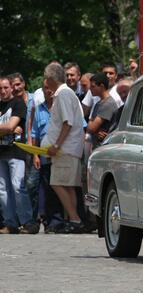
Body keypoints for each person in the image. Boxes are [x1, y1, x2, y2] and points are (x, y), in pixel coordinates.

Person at [43, 62, 86, 233]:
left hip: (65, 149)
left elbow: (67, 123)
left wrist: (56, 145)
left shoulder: (63, 95)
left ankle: (75, 219)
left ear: (51, 78)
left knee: (57, 183)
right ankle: (73, 220)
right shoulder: (64, 94)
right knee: (67, 185)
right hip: (67, 149)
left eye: (46, 78)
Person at [0, 76, 38, 234]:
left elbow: (11, 126)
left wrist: (9, 128)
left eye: (6, 87)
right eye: (0, 88)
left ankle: (28, 222)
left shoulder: (18, 103)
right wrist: (7, 128)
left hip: (16, 152)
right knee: (2, 190)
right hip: (1, 153)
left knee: (17, 186)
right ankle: (10, 223)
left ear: (11, 88)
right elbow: (8, 127)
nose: (3, 91)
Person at [30, 79, 66, 233]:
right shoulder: (38, 109)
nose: (49, 90)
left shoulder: (62, 106)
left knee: (60, 189)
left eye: (51, 87)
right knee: (47, 189)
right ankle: (49, 222)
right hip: (45, 156)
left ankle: (58, 221)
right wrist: (35, 156)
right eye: (46, 87)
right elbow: (35, 135)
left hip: (62, 155)